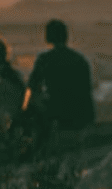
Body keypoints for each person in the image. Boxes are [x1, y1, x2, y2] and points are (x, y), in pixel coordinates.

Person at [23, 19, 95, 151]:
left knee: (34, 105)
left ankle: (35, 147)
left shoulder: (44, 59)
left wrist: (24, 111)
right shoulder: (80, 59)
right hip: (82, 115)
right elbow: (87, 91)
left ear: (48, 37)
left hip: (58, 113)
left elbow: (31, 88)